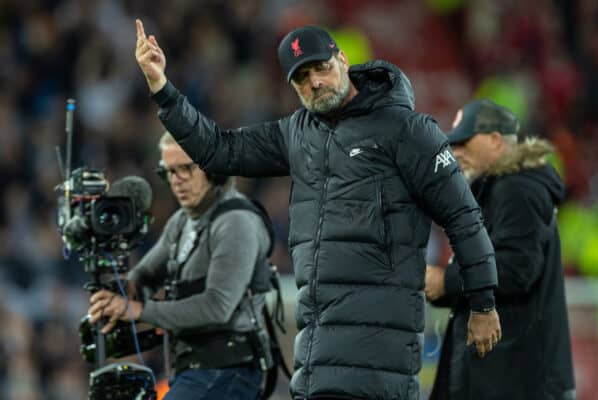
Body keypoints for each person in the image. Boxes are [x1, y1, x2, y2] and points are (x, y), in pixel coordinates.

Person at [134, 20, 502, 400]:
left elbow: (463, 216)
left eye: (321, 68)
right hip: (317, 356)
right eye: (301, 78)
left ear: (342, 60)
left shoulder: (408, 130)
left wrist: (483, 302)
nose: (315, 83)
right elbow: (219, 150)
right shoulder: (297, 133)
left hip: (380, 354)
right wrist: (163, 89)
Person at [88, 131, 272, 400]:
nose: (177, 181)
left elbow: (218, 306)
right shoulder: (182, 222)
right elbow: (145, 275)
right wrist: (123, 289)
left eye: (186, 169)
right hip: (195, 370)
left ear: (214, 168)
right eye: (169, 172)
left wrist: (138, 310)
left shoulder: (235, 222)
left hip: (229, 369)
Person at [426, 99, 576, 400]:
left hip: (515, 380)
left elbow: (514, 270)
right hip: (506, 378)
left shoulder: (517, 189)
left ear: (496, 140)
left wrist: (447, 281)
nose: (455, 151)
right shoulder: (500, 190)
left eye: (465, 142)